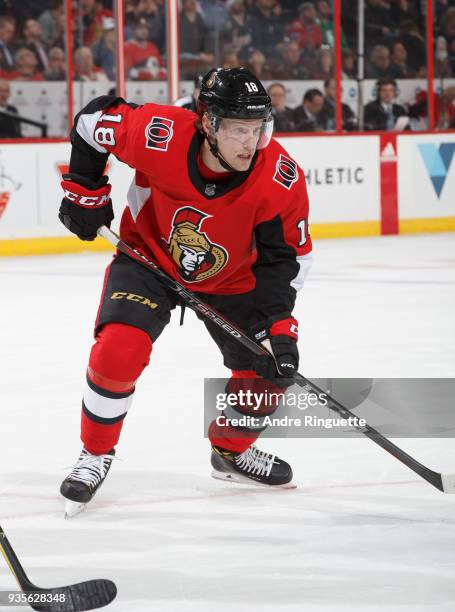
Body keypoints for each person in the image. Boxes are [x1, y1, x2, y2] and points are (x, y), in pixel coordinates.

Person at [57, 67, 312, 517]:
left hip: (235, 279)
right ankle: (95, 454)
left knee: (267, 375)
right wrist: (85, 192)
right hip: (149, 260)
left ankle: (230, 452)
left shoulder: (280, 177)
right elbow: (90, 122)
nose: (250, 142)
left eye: (258, 129)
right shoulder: (159, 134)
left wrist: (279, 326)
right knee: (118, 351)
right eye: (238, 129)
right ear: (208, 122)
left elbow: (283, 261)